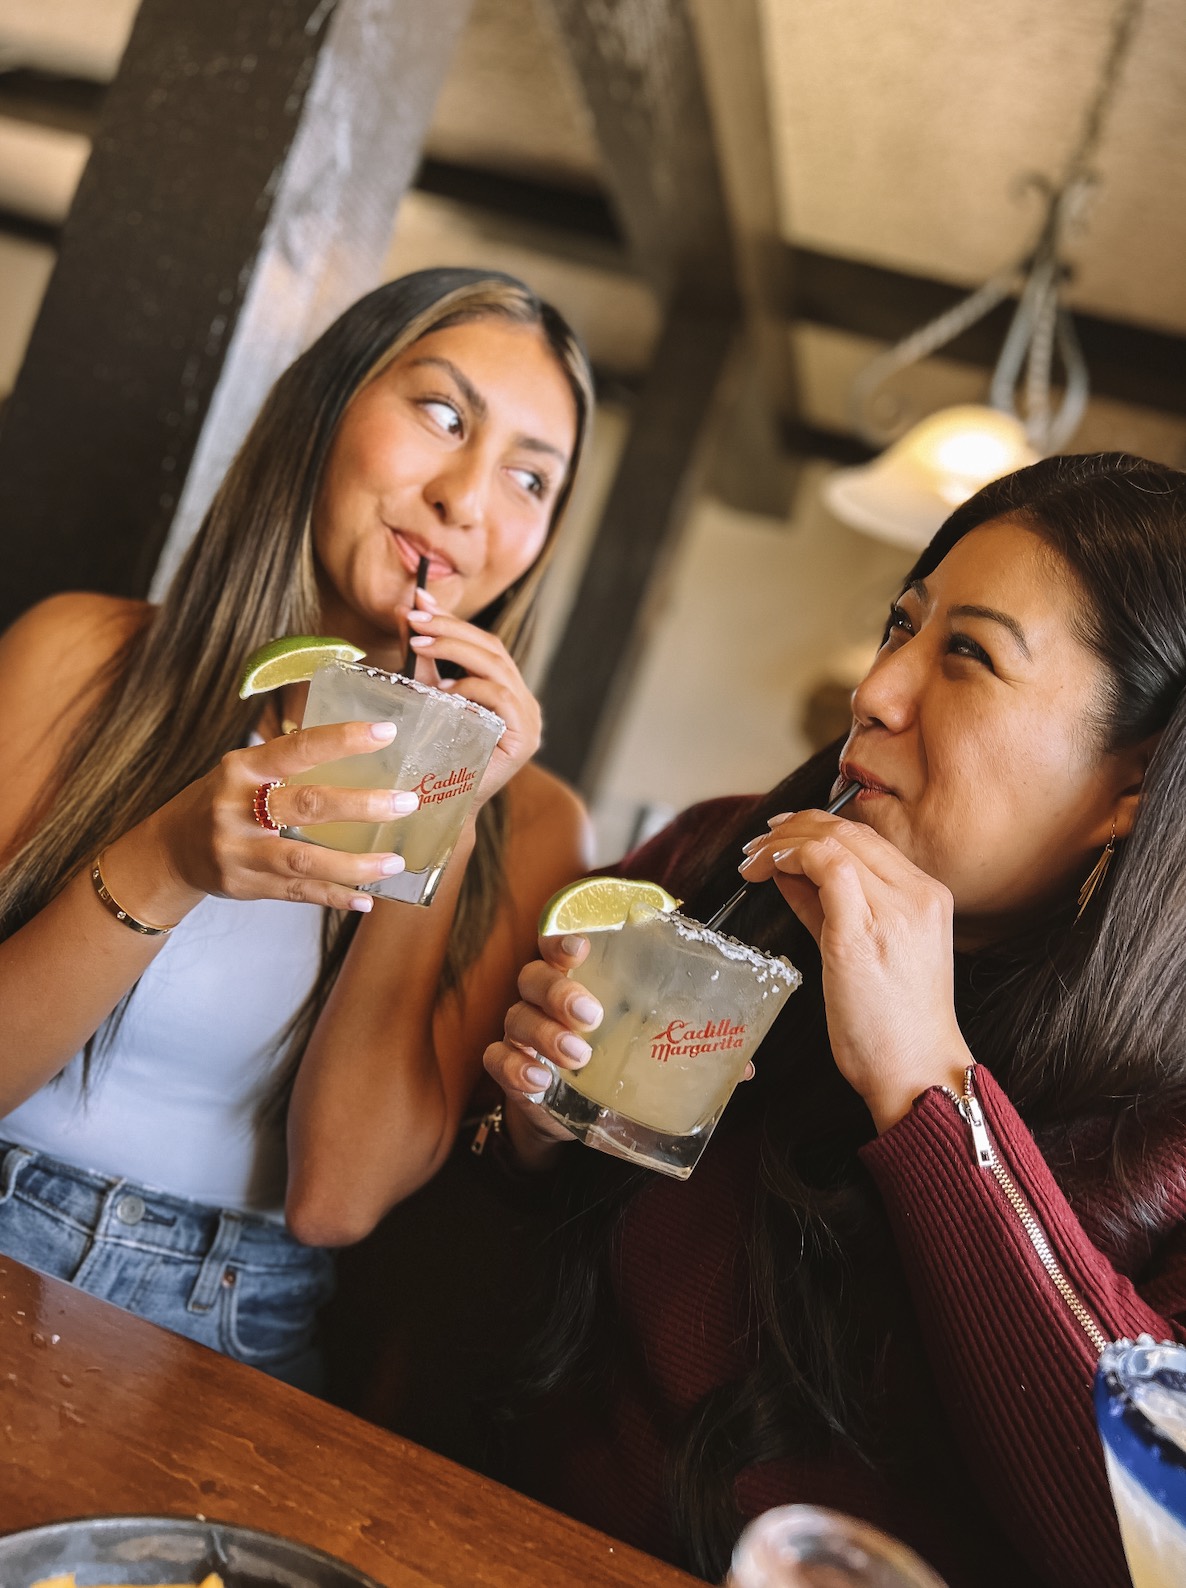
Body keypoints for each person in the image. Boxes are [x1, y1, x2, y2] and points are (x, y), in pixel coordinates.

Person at [483, 452, 1186, 1588]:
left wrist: (925, 1079)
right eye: (899, 628)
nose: (877, 689)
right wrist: (525, 1131)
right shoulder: (719, 865)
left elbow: (1145, 1545)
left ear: (1134, 785)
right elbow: (476, 1261)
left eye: (966, 654)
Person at [0, 267, 593, 1388]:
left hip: (231, 1326)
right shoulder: (79, 658)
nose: (468, 499)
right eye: (441, 413)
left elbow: (336, 1198)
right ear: (325, 411)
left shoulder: (539, 823)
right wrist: (171, 860)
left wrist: (448, 812)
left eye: (530, 476)